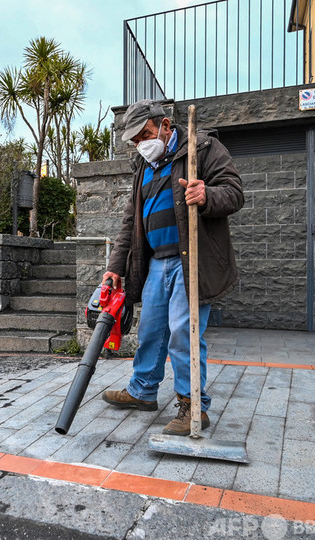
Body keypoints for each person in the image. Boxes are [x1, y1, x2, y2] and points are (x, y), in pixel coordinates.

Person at [101, 99, 244, 436]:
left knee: (183, 332)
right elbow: (130, 222)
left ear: (165, 125)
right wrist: (115, 266)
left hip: (190, 259)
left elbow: (234, 193)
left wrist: (206, 195)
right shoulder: (144, 167)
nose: (141, 143)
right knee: (150, 330)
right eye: (135, 140)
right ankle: (142, 390)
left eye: (145, 134)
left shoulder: (202, 148)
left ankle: (192, 405)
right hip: (156, 261)